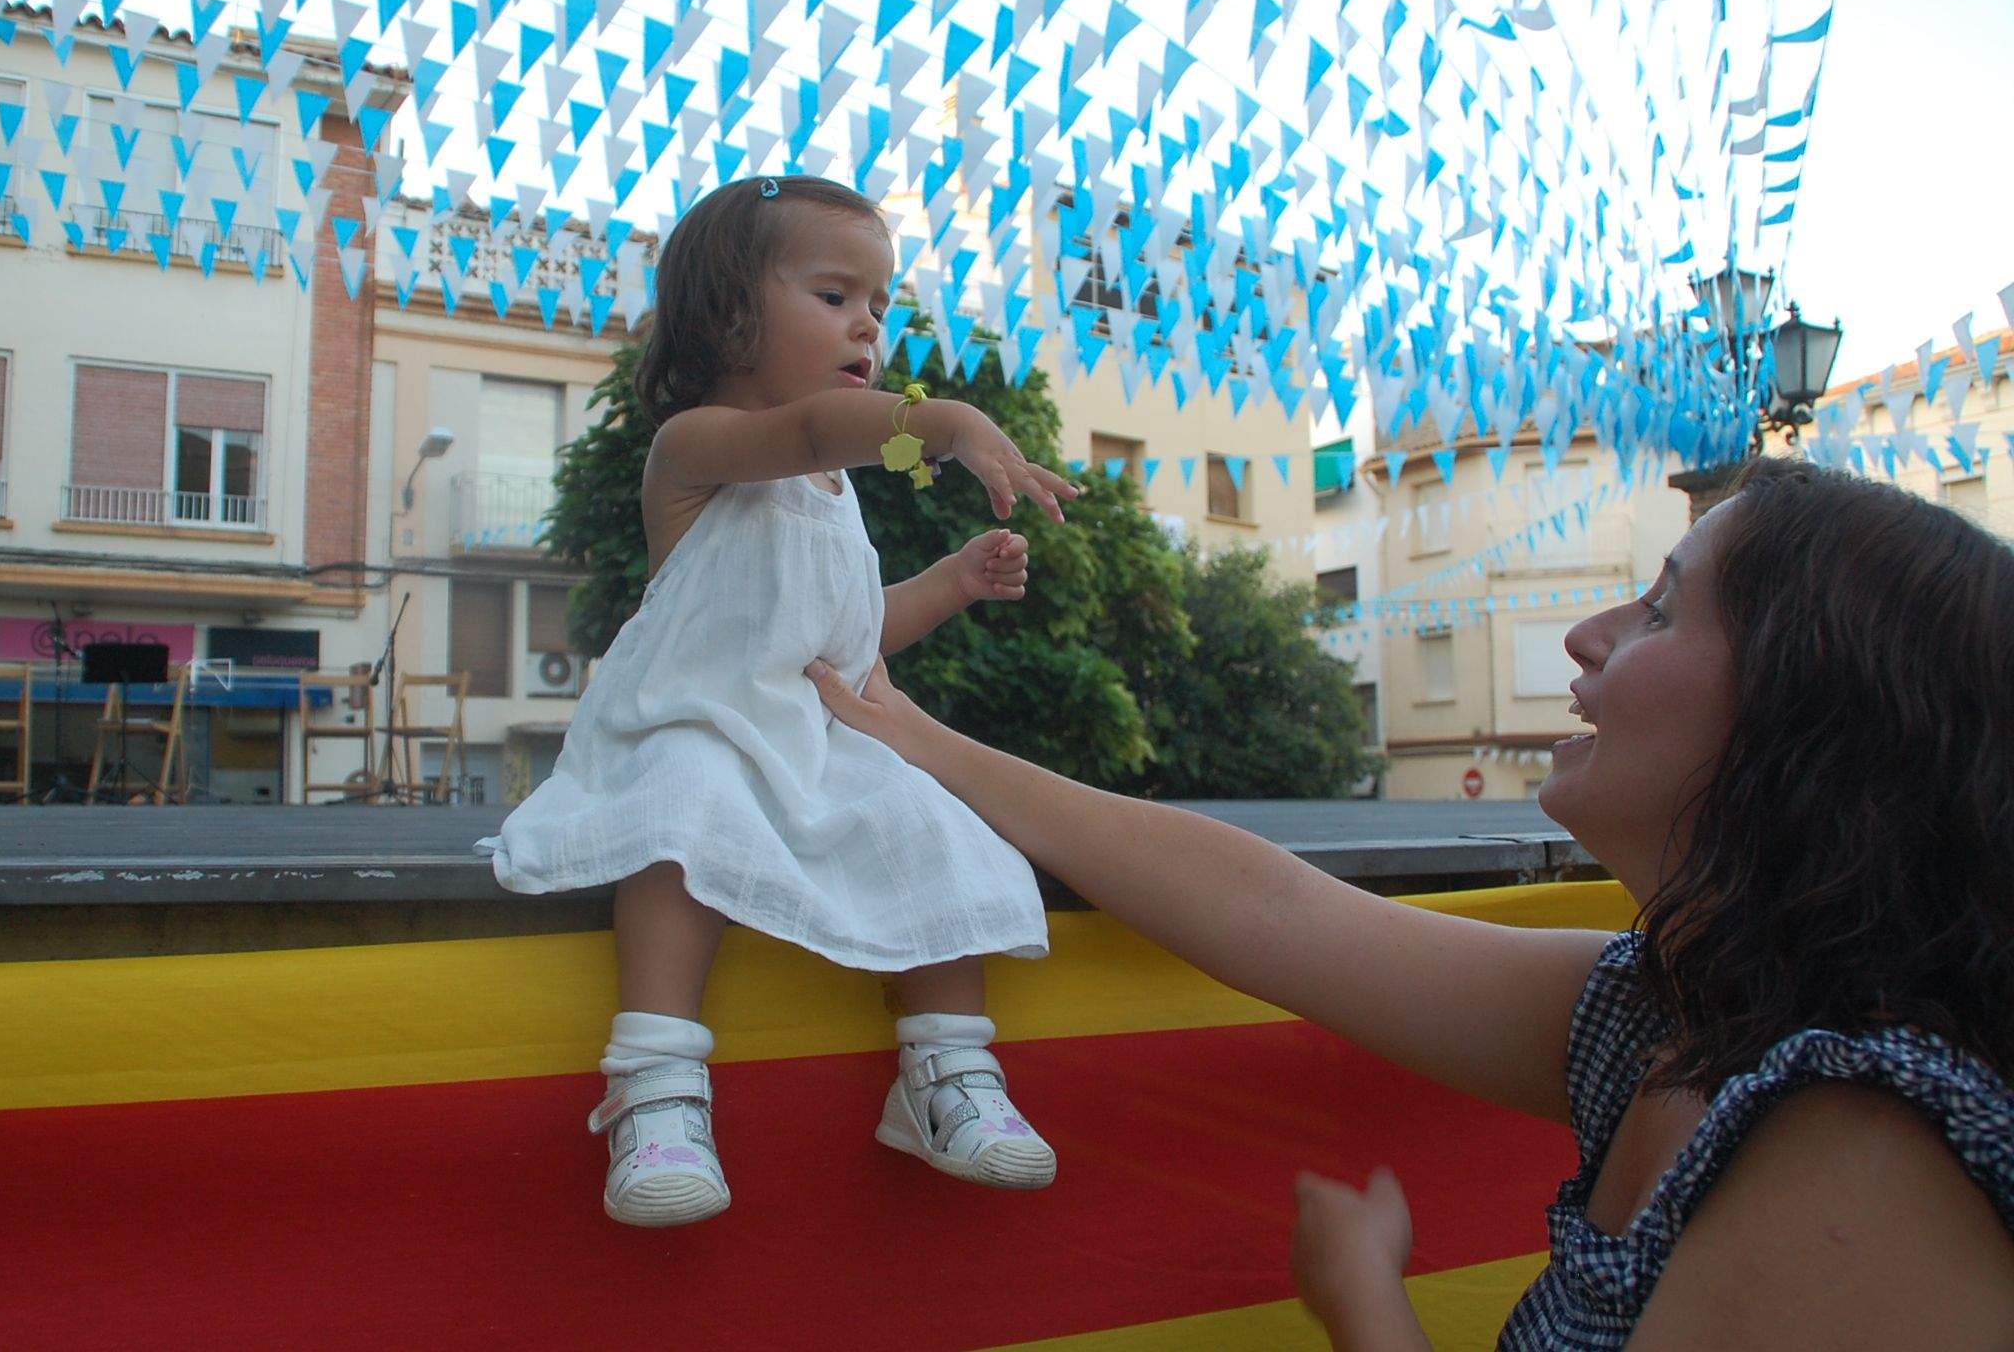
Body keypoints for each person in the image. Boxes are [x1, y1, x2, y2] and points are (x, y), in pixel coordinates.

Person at [807, 457, 2014, 1347]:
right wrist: (918, 736)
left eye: (1658, 609)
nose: (1587, 636)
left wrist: (1362, 1296)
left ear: (1810, 714)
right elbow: (1276, 913)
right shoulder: (1662, 1012)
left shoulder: (1875, 1145)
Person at [482, 174, 1082, 1229]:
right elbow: (810, 431)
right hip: (693, 731)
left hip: (807, 743)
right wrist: (945, 423)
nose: (870, 324)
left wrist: (951, 582)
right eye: (835, 294)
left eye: (880, 304)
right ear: (728, 314)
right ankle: (655, 1081)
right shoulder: (698, 446)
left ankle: (945, 1071)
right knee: (683, 811)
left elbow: (849, 637)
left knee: (929, 819)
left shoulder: (836, 495)